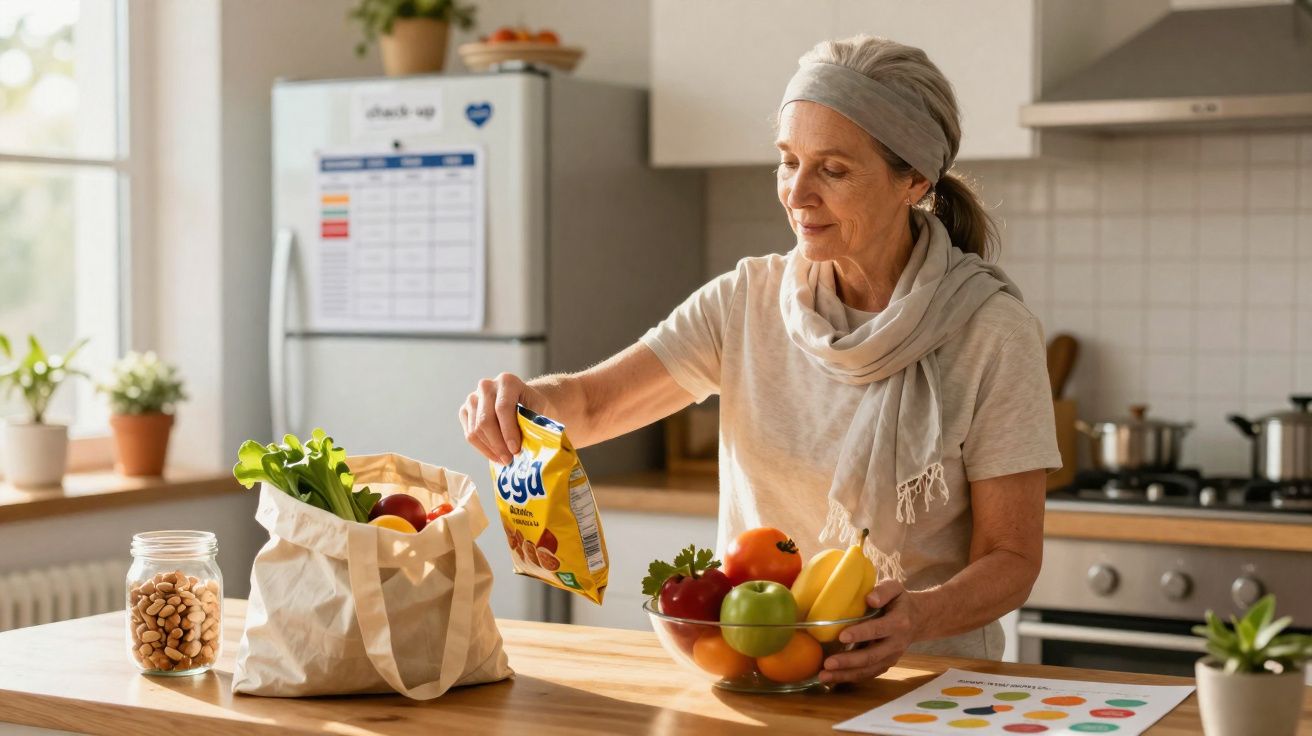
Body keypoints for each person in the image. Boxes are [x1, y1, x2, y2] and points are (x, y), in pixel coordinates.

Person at [460, 34, 1060, 683]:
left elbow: (1010, 556)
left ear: (913, 180)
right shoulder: (746, 301)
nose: (796, 193)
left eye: (832, 169)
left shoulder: (991, 330)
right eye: (787, 159)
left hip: (925, 686)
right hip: (755, 675)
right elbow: (591, 403)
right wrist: (525, 402)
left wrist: (918, 615)